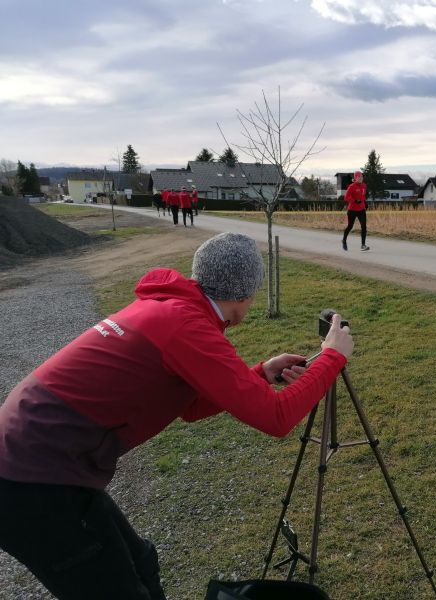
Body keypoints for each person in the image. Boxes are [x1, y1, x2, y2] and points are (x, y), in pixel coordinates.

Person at [0, 232, 353, 600]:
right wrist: (332, 356)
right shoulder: (186, 326)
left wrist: (262, 372)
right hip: (30, 480)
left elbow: (189, 407)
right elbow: (277, 418)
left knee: (142, 562)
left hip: (36, 459)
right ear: (246, 292)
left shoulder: (170, 309)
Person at [342, 170, 369, 251]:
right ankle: (344, 240)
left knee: (364, 226)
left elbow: (363, 196)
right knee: (350, 226)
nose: (361, 178)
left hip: (361, 209)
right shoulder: (352, 186)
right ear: (355, 178)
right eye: (359, 177)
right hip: (352, 210)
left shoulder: (364, 186)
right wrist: (354, 200)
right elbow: (346, 197)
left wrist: (365, 202)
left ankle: (363, 245)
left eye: (361, 176)